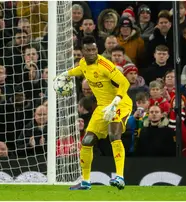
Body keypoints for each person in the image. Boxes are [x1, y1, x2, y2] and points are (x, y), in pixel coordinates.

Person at [54, 35, 132, 190]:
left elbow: (125, 82)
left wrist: (115, 102)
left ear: (97, 49)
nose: (91, 53)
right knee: (87, 141)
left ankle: (120, 177)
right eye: (88, 50)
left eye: (94, 49)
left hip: (120, 103)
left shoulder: (105, 65)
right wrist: (66, 74)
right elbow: (80, 69)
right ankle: (85, 181)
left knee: (113, 134)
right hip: (102, 107)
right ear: (83, 51)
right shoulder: (83, 63)